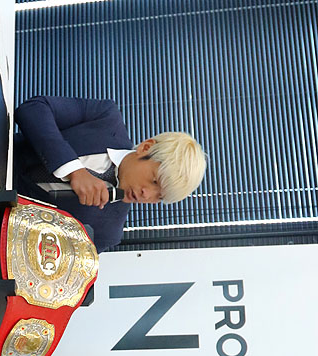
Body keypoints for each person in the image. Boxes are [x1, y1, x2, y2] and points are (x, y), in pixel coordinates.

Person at [13, 95, 207, 252]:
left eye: (160, 197)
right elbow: (33, 109)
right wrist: (72, 169)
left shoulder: (108, 232)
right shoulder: (105, 117)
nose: (147, 194)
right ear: (146, 148)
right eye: (154, 181)